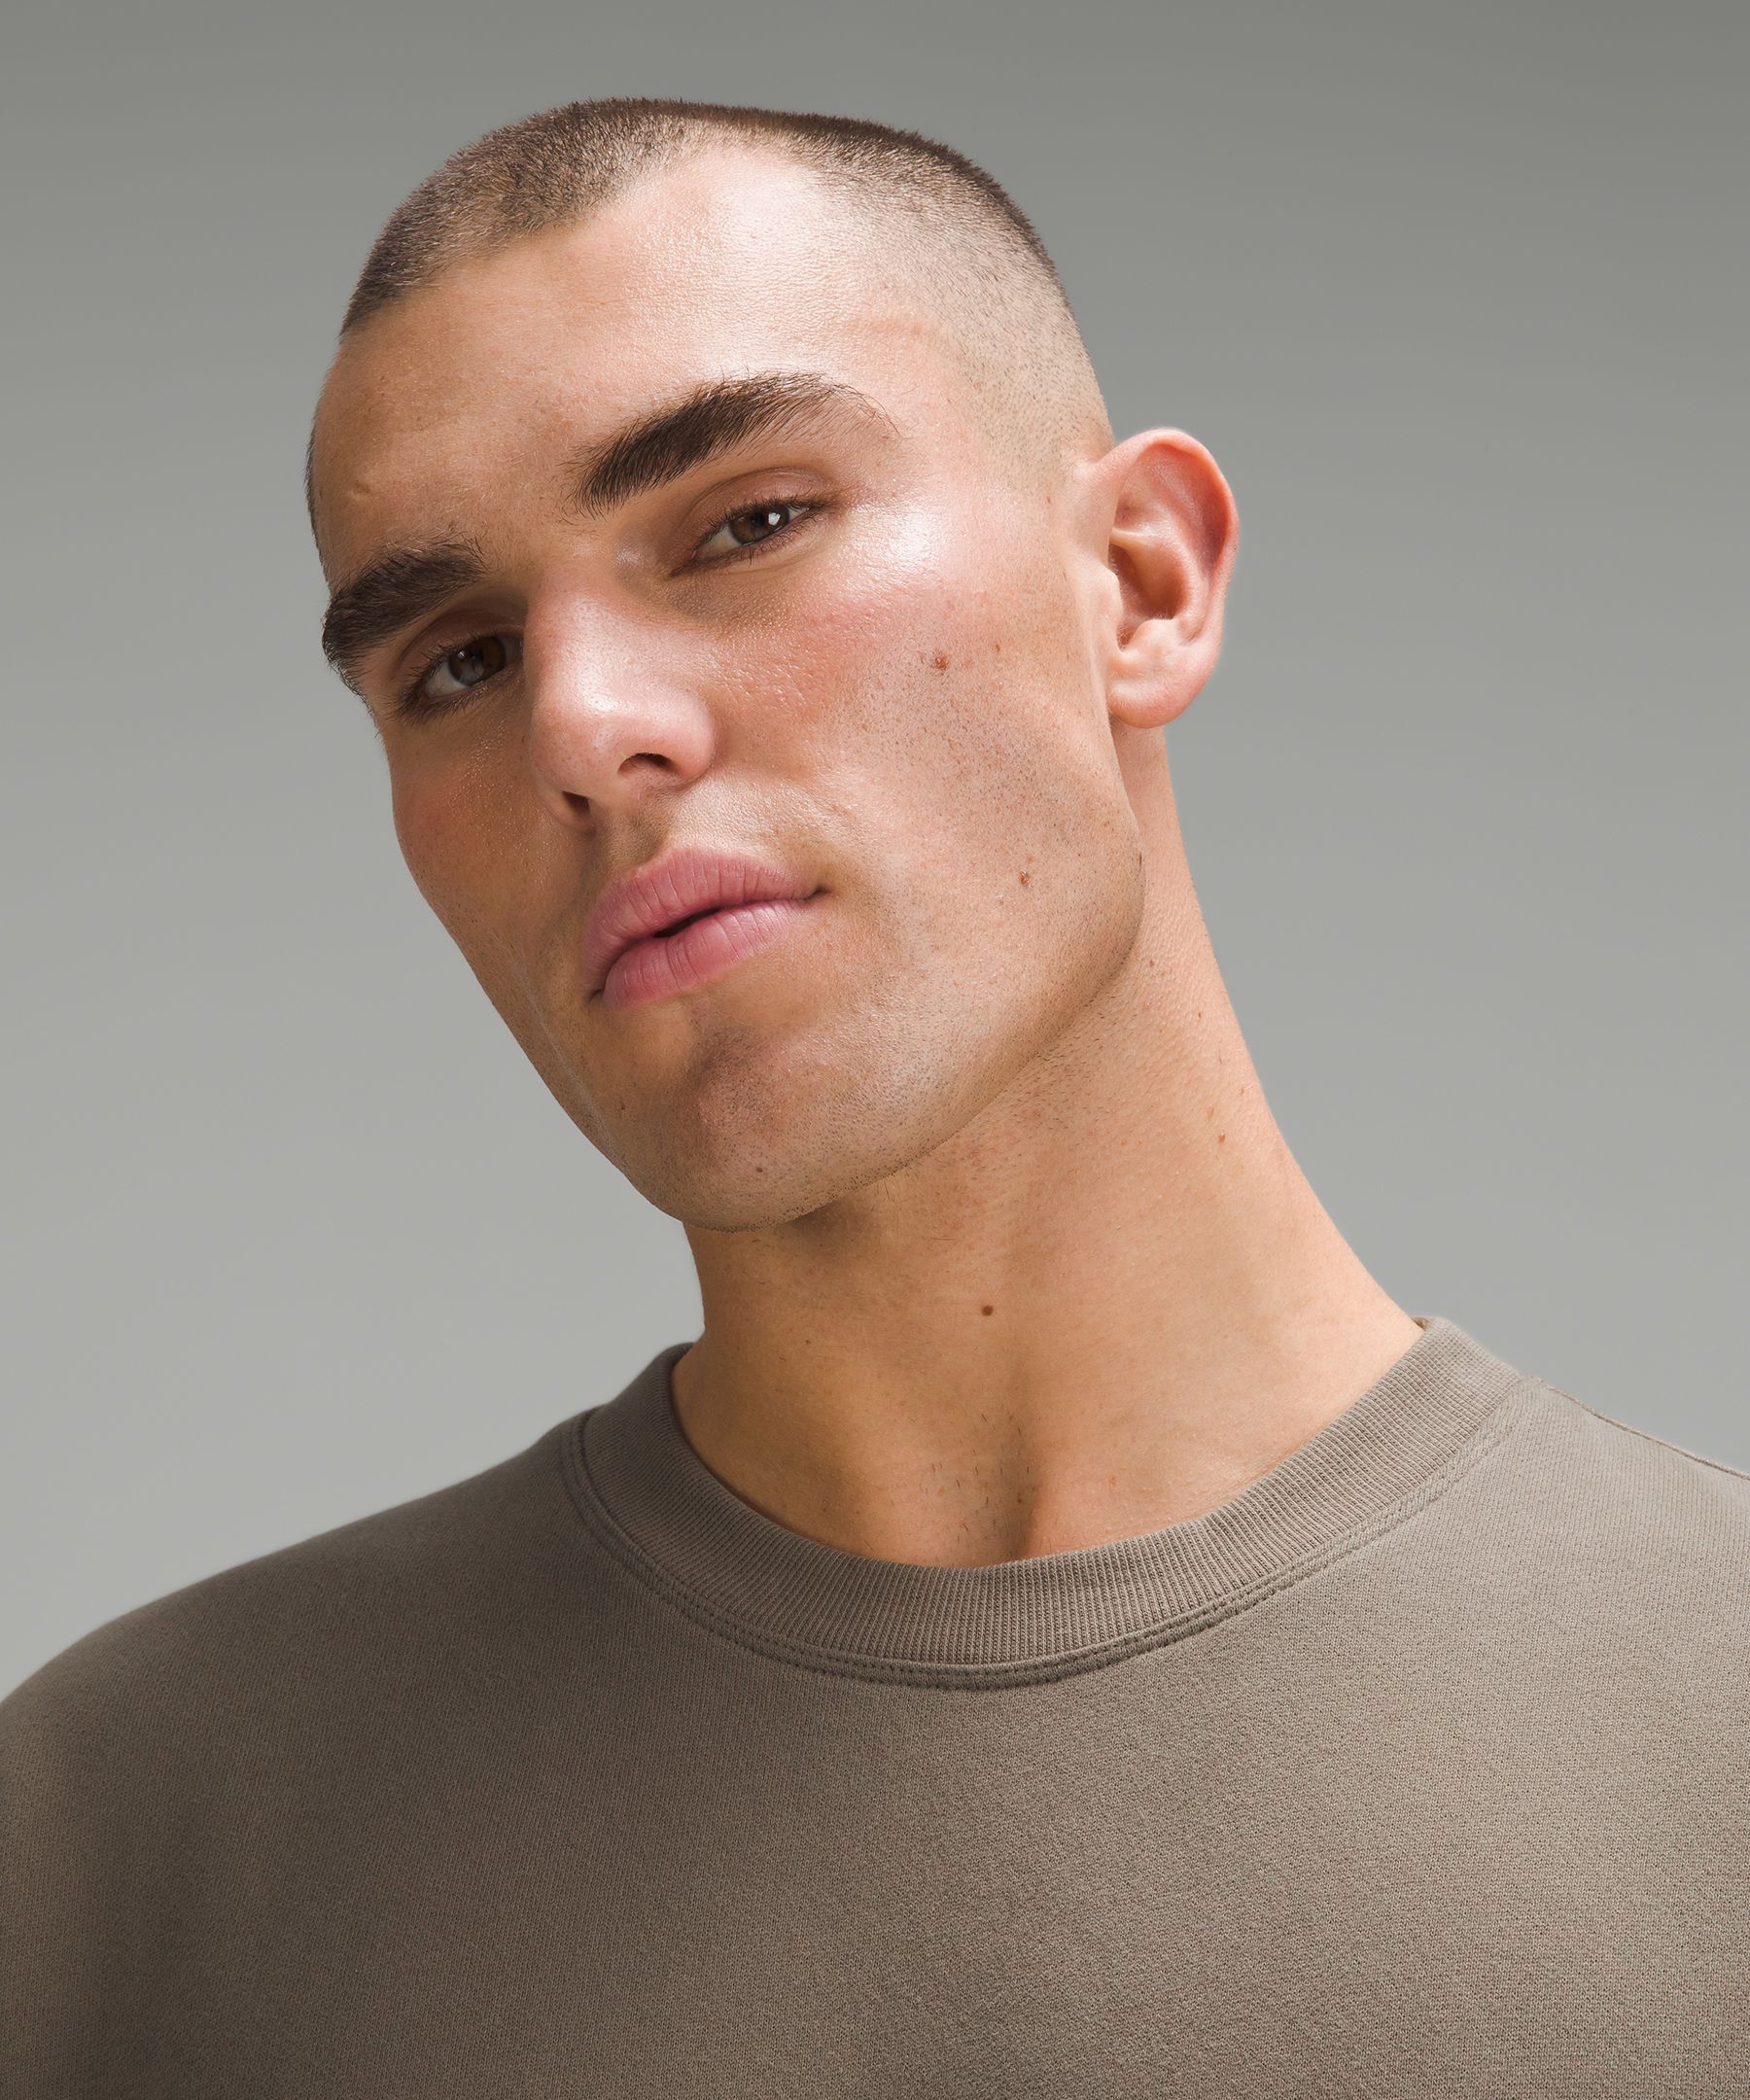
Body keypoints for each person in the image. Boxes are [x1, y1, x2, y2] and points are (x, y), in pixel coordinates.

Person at [4, 96, 1745, 2095]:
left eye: (747, 524)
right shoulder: (116, 1851)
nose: (584, 727)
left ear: (1142, 583)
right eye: (458, 663)